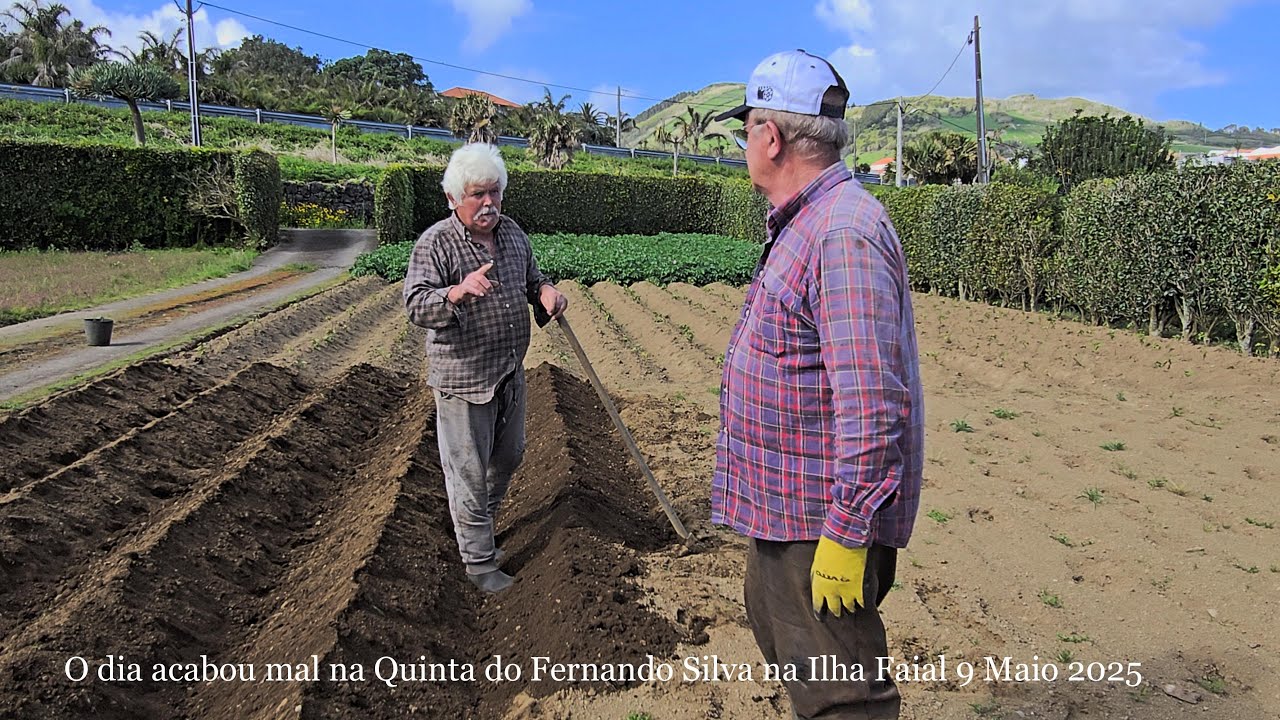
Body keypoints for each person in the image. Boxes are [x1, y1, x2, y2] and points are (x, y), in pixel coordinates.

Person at [710, 50, 924, 719]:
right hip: (789, 512)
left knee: (845, 701)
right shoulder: (810, 221)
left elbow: (873, 404)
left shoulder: (842, 232)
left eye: (748, 131)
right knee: (812, 678)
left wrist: (846, 532)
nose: (748, 144)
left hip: (818, 525)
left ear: (770, 138)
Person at [403, 142, 568, 594]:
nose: (489, 203)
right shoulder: (435, 243)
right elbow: (415, 304)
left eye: (495, 192)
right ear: (454, 198)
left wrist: (547, 293)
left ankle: (481, 527)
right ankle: (478, 562)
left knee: (509, 456)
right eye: (478, 194)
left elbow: (533, 280)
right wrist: (455, 293)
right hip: (463, 379)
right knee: (468, 473)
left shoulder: (513, 235)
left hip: (510, 371)